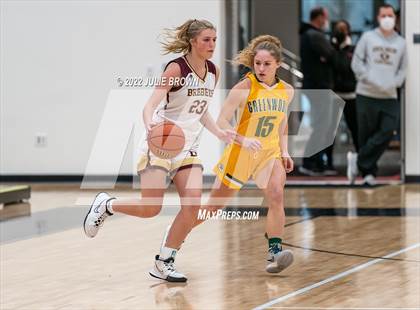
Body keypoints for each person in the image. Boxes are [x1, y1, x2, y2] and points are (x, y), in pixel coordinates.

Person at [83, 19, 235, 282]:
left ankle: (164, 261)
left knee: (193, 207)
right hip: (161, 143)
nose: (212, 45)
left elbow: (200, 110)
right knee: (151, 208)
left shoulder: (214, 71)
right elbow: (151, 103)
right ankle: (107, 205)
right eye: (206, 40)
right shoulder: (176, 68)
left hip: (188, 148)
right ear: (192, 41)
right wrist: (149, 123)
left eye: (214, 39)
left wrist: (219, 132)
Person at [161, 35, 295, 274]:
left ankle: (274, 253)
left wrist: (284, 151)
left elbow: (282, 123)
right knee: (212, 209)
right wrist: (243, 139)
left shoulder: (287, 91)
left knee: (276, 195)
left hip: (269, 153)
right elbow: (222, 121)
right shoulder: (244, 87)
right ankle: (175, 235)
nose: (261, 68)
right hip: (241, 154)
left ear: (278, 65)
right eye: (257, 63)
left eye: (266, 64)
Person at [349, 4, 407, 186]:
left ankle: (357, 160)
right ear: (378, 18)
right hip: (366, 94)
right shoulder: (368, 38)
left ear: (395, 18)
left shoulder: (401, 42)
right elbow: (356, 63)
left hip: (389, 96)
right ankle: (368, 173)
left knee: (388, 131)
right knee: (366, 134)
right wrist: (369, 79)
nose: (388, 18)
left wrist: (395, 83)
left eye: (390, 15)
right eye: (384, 15)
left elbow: (403, 69)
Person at [299, 6, 337, 176]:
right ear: (320, 18)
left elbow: (327, 56)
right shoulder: (314, 35)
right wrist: (328, 56)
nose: (326, 22)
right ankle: (310, 163)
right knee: (322, 126)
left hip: (316, 86)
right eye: (325, 17)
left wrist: (326, 58)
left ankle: (315, 163)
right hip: (318, 86)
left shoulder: (309, 34)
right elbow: (331, 55)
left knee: (321, 125)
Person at [330, 20, 359, 169]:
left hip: (351, 95)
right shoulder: (331, 49)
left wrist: (344, 48)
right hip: (334, 95)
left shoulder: (353, 49)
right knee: (330, 131)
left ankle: (362, 161)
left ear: (348, 31)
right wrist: (336, 48)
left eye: (343, 29)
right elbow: (333, 66)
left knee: (355, 129)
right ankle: (328, 163)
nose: (340, 31)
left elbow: (348, 68)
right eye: (337, 29)